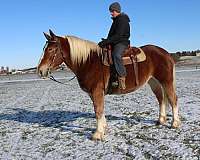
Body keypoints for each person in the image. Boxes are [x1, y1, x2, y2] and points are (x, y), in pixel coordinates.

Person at [98, 2, 130, 89]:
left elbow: (119, 35)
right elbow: (112, 35)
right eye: (111, 11)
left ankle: (122, 77)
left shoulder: (122, 20)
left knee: (116, 55)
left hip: (121, 42)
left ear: (117, 10)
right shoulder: (116, 20)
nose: (111, 13)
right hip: (115, 41)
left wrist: (107, 41)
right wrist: (106, 41)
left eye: (112, 11)